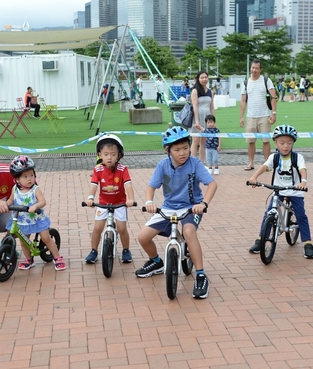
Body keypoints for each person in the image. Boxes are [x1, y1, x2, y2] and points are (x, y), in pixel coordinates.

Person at [136, 126, 218, 299]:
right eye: (177, 150)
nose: (182, 153)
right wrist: (149, 202)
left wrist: (203, 203)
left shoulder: (194, 164)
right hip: (168, 207)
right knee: (143, 237)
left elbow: (212, 184)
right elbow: (151, 187)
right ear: (167, 150)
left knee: (189, 232)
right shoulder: (163, 165)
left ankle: (201, 275)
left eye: (185, 148)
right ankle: (156, 262)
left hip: (191, 207)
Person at [247, 125, 313, 258]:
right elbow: (265, 166)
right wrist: (254, 177)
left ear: (293, 143)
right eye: (282, 143)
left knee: (301, 215)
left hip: (295, 190)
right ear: (275, 143)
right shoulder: (274, 157)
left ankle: (307, 243)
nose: (285, 146)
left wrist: (303, 182)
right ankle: (260, 240)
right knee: (269, 213)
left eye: (289, 143)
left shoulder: (297, 157)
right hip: (278, 191)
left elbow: (302, 169)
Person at [6, 156, 66, 271]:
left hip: (37, 219)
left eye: (31, 175)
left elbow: (43, 201)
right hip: (22, 220)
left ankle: (57, 257)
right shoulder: (15, 189)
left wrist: (35, 206)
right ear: (17, 179)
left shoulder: (35, 189)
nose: (30, 179)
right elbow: (11, 199)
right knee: (24, 241)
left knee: (46, 238)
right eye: (25, 176)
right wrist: (7, 204)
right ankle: (29, 259)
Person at [84, 135, 136, 264]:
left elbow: (128, 184)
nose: (109, 158)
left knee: (122, 228)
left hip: (120, 203)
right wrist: (90, 198)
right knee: (97, 228)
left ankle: (126, 250)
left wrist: (131, 199)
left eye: (113, 154)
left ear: (119, 155)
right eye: (106, 154)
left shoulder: (123, 169)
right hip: (103, 203)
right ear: (100, 155)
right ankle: (93, 251)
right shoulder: (98, 169)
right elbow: (94, 185)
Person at [239, 59, 277, 171]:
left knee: (266, 140)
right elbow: (243, 101)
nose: (254, 70)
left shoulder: (266, 80)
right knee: (250, 141)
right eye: (252, 68)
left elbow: (273, 97)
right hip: (251, 116)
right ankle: (251, 163)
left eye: (256, 68)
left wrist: (274, 113)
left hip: (265, 115)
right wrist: (241, 117)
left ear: (260, 69)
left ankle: (267, 164)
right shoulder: (246, 83)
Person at [190, 71, 215, 162]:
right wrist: (197, 121)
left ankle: (202, 162)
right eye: (202, 77)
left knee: (204, 142)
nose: (204, 79)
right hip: (198, 116)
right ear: (198, 79)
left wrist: (213, 121)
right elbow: (195, 106)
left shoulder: (210, 92)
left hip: (207, 117)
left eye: (206, 77)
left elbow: (212, 107)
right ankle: (192, 162)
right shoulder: (195, 91)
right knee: (196, 141)